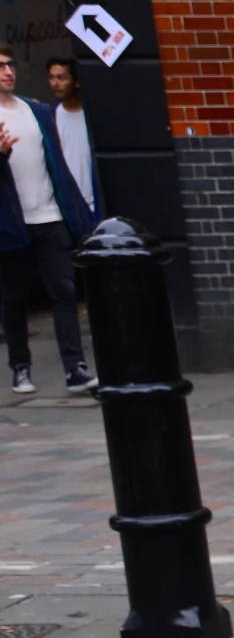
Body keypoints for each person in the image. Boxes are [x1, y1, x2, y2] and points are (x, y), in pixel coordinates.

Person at [0, 44, 96, 395]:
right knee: (13, 299)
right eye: (0, 67)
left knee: (65, 292)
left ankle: (75, 368)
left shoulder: (37, 111)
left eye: (10, 65)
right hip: (11, 221)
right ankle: (21, 367)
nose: (8, 71)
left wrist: (74, 211)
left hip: (49, 215)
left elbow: (57, 165)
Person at [45, 58, 96, 213]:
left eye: (61, 78)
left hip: (95, 199)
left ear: (76, 82)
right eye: (52, 78)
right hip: (69, 204)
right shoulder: (50, 116)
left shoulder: (92, 114)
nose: (55, 83)